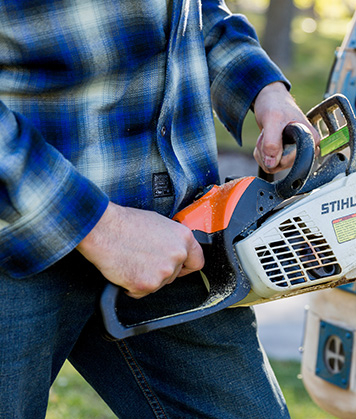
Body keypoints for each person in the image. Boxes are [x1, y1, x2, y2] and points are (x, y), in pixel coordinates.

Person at [0, 0, 318, 417]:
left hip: (175, 243)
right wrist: (103, 229)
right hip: (18, 238)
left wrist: (264, 89)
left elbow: (194, 11)